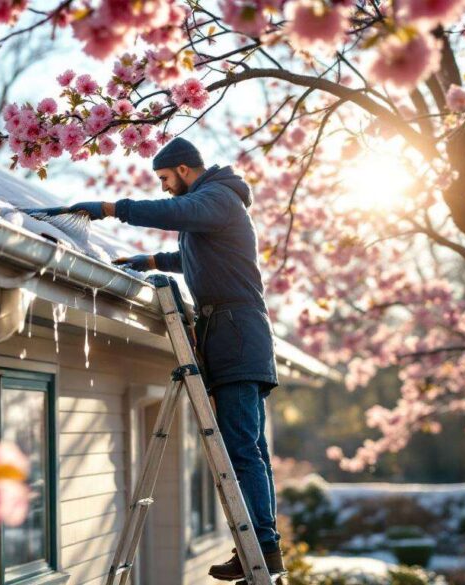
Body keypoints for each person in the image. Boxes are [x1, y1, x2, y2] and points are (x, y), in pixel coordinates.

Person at [35, 137, 284, 578]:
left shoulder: (218, 198)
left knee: (242, 449)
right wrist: (150, 259)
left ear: (185, 170)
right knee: (249, 449)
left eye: (167, 179)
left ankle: (260, 549)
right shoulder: (214, 207)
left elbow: (176, 213)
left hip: (237, 337)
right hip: (232, 335)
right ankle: (261, 546)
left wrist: (113, 208)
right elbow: (195, 257)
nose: (167, 188)